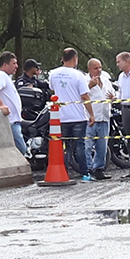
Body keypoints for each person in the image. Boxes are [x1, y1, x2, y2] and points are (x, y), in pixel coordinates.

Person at [46, 46, 94, 182]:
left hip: (60, 117)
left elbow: (52, 89)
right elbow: (84, 96)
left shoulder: (53, 74)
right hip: (78, 116)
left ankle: (64, 171)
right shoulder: (78, 75)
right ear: (75, 58)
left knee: (64, 145)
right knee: (80, 145)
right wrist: (91, 114)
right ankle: (85, 173)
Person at [0, 54, 24, 153]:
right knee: (21, 149)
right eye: (14, 63)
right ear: (5, 65)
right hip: (9, 122)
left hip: (14, 120)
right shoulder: (0, 75)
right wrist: (1, 105)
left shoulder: (6, 76)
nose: (16, 66)